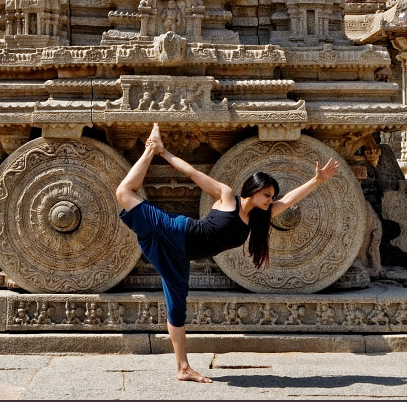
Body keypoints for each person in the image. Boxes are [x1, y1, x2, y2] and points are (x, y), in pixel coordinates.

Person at [115, 123, 339, 383]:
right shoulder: (227, 196)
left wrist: (316, 180)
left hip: (181, 255)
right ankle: (151, 149)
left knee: (177, 309)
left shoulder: (257, 219)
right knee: (124, 193)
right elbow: (192, 172)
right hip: (177, 231)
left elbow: (289, 201)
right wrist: (163, 153)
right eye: (267, 194)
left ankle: (183, 368)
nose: (270, 200)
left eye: (271, 196)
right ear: (254, 190)